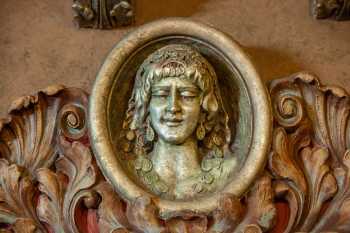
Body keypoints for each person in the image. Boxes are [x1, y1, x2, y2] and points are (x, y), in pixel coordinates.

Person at [122, 44, 233, 200]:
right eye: (161, 95)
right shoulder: (127, 172)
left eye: (187, 95)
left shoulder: (229, 172)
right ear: (146, 109)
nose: (173, 107)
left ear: (204, 109)